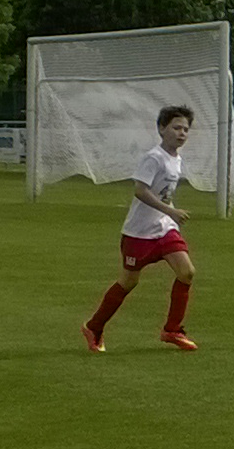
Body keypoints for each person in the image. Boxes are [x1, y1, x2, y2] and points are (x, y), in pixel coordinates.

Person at [85, 104, 201, 353]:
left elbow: (165, 194)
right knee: (128, 282)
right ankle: (94, 327)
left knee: (187, 272)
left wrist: (169, 215)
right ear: (161, 129)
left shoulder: (176, 159)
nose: (182, 133)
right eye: (176, 128)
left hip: (164, 228)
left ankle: (172, 330)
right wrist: (170, 210)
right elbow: (140, 190)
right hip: (139, 233)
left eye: (185, 129)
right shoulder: (153, 158)